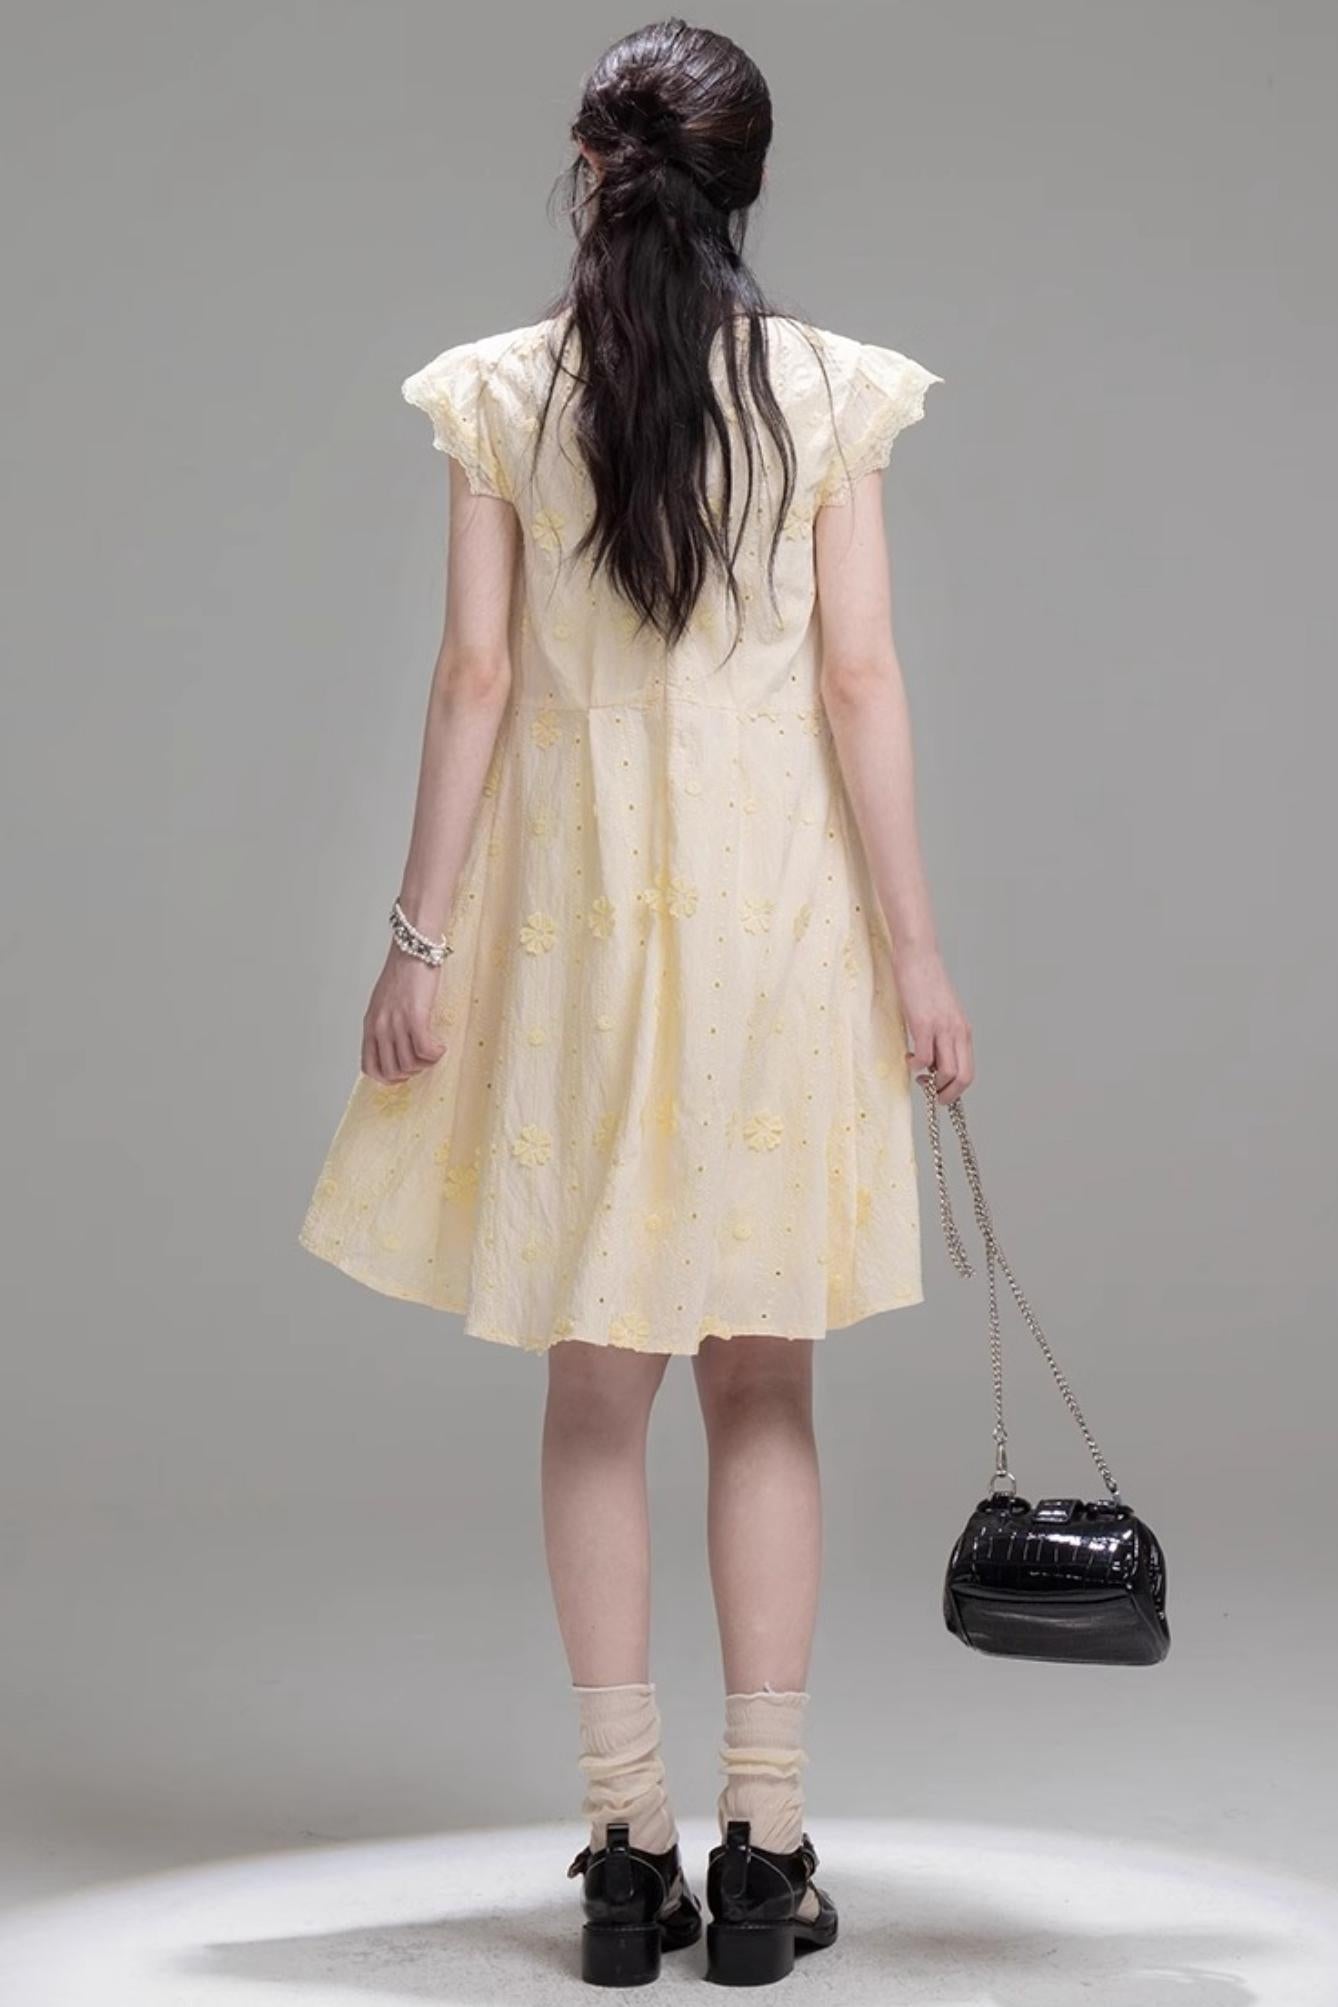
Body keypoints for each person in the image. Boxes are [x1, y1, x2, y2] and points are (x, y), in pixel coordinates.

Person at [298, 15, 973, 1989]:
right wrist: (917, 953)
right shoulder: (830, 393)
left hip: (574, 926)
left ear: (590, 167)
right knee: (764, 1378)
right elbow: (858, 682)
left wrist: (418, 937)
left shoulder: (502, 394)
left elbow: (475, 681)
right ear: (744, 180)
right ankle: (763, 1855)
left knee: (596, 1384)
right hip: (778, 922)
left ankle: (623, 1851)